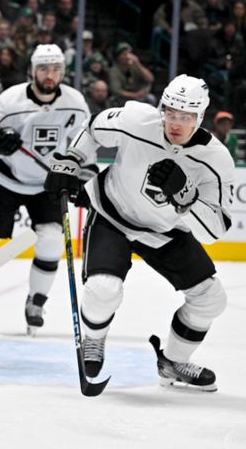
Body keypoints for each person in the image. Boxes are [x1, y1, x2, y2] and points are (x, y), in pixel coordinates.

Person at [44, 75, 234, 391]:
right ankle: (94, 340)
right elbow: (93, 129)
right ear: (162, 108)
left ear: (199, 118)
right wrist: (73, 159)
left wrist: (187, 198)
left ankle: (172, 363)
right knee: (103, 289)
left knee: (210, 299)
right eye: (171, 112)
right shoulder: (135, 120)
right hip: (112, 215)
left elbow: (213, 230)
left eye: (185, 117)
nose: (175, 123)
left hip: (165, 230)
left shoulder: (215, 160)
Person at [0, 44, 91, 334]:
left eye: (56, 69)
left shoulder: (75, 102)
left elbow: (85, 144)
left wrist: (83, 173)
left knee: (51, 237)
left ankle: (36, 302)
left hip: (47, 184)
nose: (50, 75)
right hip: (7, 179)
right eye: (44, 69)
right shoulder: (11, 100)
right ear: (32, 71)